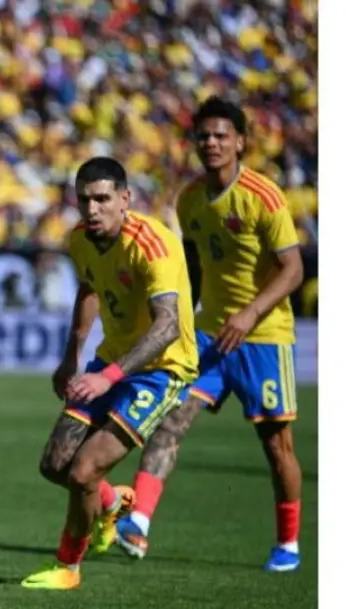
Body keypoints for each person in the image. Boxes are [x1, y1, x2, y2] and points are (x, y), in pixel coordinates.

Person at [114, 97, 306, 572]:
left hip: (264, 336)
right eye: (204, 136)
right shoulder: (190, 199)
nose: (212, 143)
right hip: (209, 336)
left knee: (276, 444)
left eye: (222, 135)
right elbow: (195, 268)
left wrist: (250, 314)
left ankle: (289, 543)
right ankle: (138, 521)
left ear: (241, 141)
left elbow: (293, 269)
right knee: (171, 416)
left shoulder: (264, 197)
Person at [21, 157, 198, 591]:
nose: (92, 208)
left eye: (102, 199)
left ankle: (68, 569)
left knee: (83, 472)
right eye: (84, 200)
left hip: (162, 369)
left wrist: (110, 376)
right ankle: (114, 502)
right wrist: (71, 357)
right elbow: (88, 288)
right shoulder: (80, 240)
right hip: (108, 361)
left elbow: (168, 325)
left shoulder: (153, 244)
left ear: (125, 199)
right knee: (54, 464)